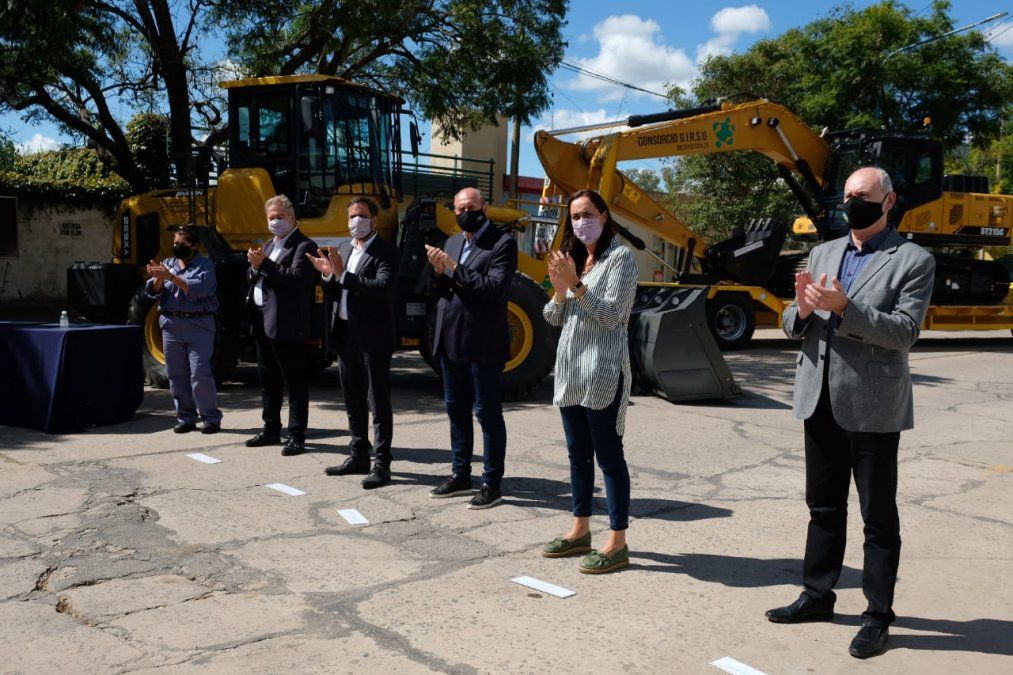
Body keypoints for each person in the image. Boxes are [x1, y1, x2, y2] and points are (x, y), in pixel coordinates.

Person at [766, 167, 935, 659]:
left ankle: (878, 616)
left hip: (873, 405)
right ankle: (817, 594)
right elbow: (793, 322)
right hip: (818, 399)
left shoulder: (913, 260)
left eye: (862, 195)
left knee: (878, 518)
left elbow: (905, 332)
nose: (851, 202)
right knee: (822, 507)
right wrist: (798, 310)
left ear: (889, 200)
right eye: (846, 195)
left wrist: (845, 309)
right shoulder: (822, 252)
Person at [540, 189, 638, 574]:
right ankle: (580, 529)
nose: (580, 222)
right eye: (575, 216)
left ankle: (617, 542)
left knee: (609, 458)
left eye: (587, 214)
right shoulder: (576, 258)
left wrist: (577, 285)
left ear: (604, 214)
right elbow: (551, 317)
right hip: (570, 376)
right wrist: (561, 289)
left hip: (602, 374)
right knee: (577, 457)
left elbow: (613, 316)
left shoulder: (622, 259)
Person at [423, 187, 517, 509]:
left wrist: (452, 268)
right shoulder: (452, 243)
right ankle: (460, 474)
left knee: (487, 414)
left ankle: (492, 483)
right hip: (450, 340)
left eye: (471, 207)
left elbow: (493, 288)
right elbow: (444, 290)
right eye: (459, 207)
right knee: (456, 411)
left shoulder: (502, 244)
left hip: (482, 344)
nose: (465, 212)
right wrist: (439, 272)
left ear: (485, 208)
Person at [306, 197, 399, 489]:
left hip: (373, 337)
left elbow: (382, 288)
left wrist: (343, 274)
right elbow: (336, 288)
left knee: (377, 402)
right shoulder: (345, 249)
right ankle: (358, 454)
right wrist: (326, 273)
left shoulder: (387, 252)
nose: (355, 221)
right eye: (351, 216)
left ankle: (382, 463)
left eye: (361, 216)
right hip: (345, 333)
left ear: (373, 220)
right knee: (353, 399)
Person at [244, 195, 318, 456]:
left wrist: (263, 264)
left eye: (280, 217)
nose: (275, 222)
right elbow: (255, 275)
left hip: (288, 325)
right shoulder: (269, 244)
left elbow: (297, 279)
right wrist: (254, 267)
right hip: (263, 323)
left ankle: (296, 435)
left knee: (294, 383)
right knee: (268, 380)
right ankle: (271, 429)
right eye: (271, 217)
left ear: (292, 218)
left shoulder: (304, 245)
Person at [145, 224, 223, 434]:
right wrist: (159, 277)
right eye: (175, 244)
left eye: (183, 244)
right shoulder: (168, 263)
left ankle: (210, 418)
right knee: (176, 374)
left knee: (199, 373)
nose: (178, 247)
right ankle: (186, 417)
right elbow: (153, 291)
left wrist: (171, 277)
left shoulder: (205, 266)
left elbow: (198, 289)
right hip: (171, 324)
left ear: (195, 246)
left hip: (199, 324)